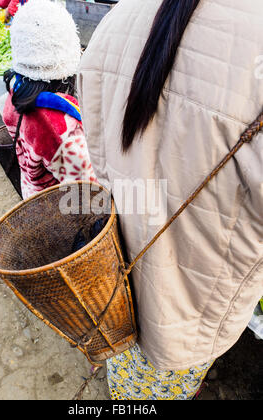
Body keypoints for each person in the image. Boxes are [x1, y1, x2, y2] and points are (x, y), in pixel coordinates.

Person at [78, 0, 263, 400]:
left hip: (112, 286)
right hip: (191, 308)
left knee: (127, 378)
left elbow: (98, 159)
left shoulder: (118, 18)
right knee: (163, 386)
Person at [2, 0, 95, 200]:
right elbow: (90, 190)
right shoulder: (58, 125)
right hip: (58, 211)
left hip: (31, 194)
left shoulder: (14, 94)